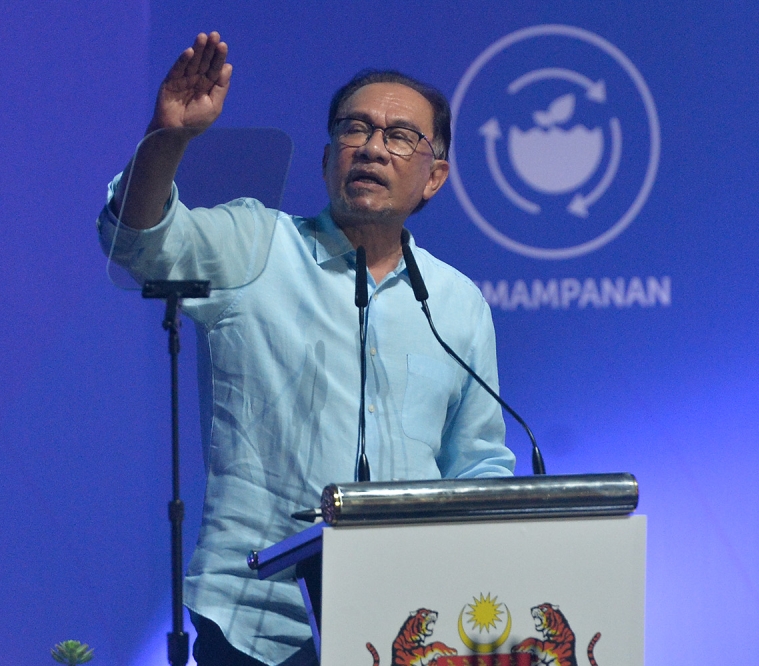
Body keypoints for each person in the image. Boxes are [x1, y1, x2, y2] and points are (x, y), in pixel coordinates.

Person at [98, 31, 516, 666]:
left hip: (407, 626)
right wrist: (168, 139)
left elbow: (478, 465)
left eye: (400, 136)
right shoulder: (256, 246)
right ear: (327, 160)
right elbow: (136, 241)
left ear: (434, 178)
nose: (373, 147)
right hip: (256, 625)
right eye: (356, 129)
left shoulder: (457, 302)